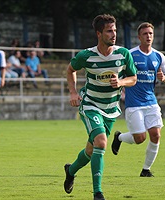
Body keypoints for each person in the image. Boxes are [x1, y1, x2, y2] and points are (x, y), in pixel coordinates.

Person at [64, 14, 137, 200]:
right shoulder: (86, 56)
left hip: (111, 109)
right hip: (90, 105)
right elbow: (70, 69)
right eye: (109, 31)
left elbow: (133, 78)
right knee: (101, 142)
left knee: (91, 151)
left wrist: (121, 82)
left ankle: (71, 170)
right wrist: (73, 93)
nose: (113, 34)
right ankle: (98, 193)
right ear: (99, 33)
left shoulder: (123, 54)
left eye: (115, 30)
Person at [111, 22, 165, 178]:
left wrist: (163, 78)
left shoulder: (159, 56)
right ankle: (119, 137)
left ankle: (146, 170)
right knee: (139, 138)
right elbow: (120, 74)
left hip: (151, 101)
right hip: (134, 103)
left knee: (156, 135)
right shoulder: (130, 54)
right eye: (145, 34)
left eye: (150, 33)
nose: (148, 36)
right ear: (139, 37)